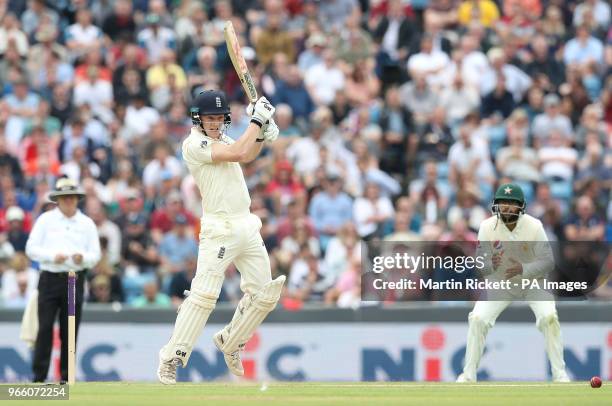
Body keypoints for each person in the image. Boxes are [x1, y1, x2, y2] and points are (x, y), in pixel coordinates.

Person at [157, 90, 284, 384]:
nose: (214, 123)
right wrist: (257, 120)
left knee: (265, 293)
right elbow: (239, 151)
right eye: (209, 118)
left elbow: (247, 155)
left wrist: (262, 133)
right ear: (198, 119)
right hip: (219, 229)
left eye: (218, 118)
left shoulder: (225, 139)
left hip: (246, 225)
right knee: (204, 297)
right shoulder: (194, 144)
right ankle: (171, 357)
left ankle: (231, 340)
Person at [456, 183, 570, 383]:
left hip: (534, 282)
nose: (507, 207)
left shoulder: (534, 226)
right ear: (496, 205)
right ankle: (468, 375)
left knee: (549, 317)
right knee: (478, 319)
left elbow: (548, 261)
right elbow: (482, 265)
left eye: (511, 203)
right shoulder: (486, 227)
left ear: (521, 206)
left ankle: (559, 374)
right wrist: (491, 264)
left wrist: (524, 269)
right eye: (503, 203)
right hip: (501, 282)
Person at [25, 177, 101, 383]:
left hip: (73, 280)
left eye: (72, 197)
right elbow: (31, 248)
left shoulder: (86, 223)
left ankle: (67, 379)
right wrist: (52, 256)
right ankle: (39, 377)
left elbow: (95, 254)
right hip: (50, 277)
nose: (68, 201)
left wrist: (82, 258)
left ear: (77, 199)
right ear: (57, 200)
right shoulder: (45, 220)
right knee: (45, 328)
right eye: (64, 197)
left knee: (70, 329)